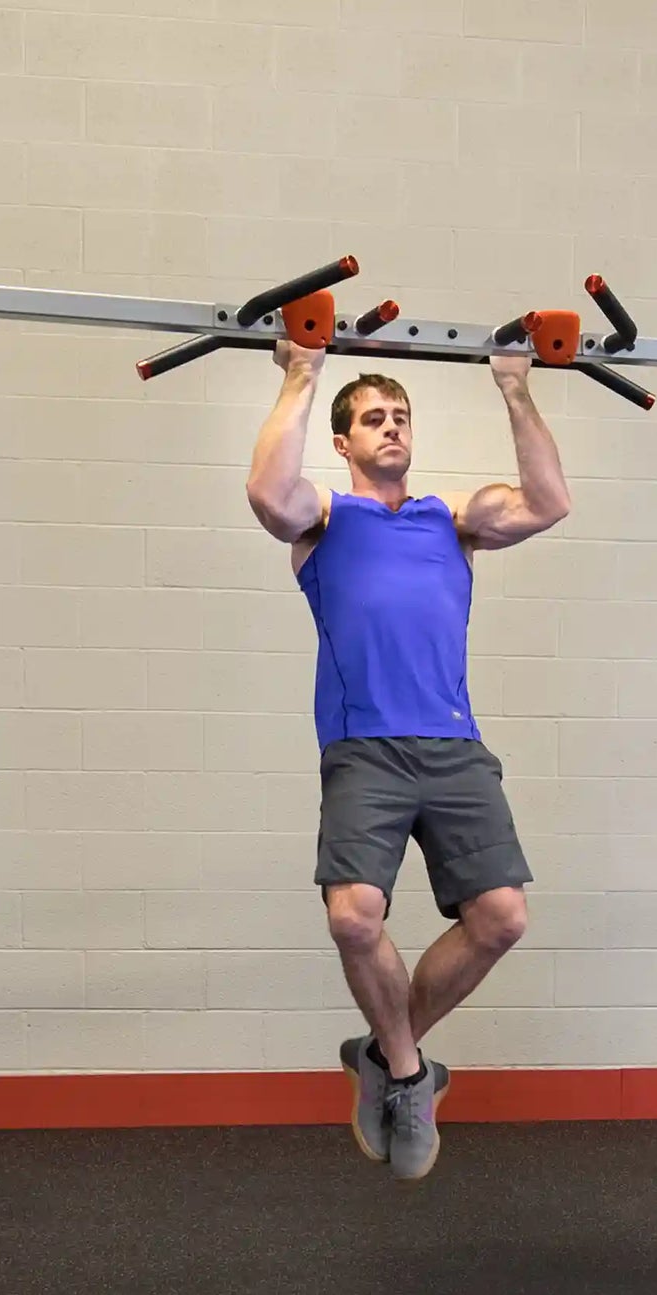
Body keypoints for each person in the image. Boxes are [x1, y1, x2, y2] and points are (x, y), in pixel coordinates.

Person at [246, 340, 571, 1180]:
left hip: (456, 746)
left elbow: (549, 500)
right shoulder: (326, 517)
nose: (390, 428)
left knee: (502, 917)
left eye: (400, 417)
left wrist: (515, 390)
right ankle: (407, 1075)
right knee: (353, 915)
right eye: (372, 420)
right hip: (366, 748)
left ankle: (388, 1054)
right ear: (344, 442)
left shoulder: (451, 518)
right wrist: (303, 375)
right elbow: (267, 494)